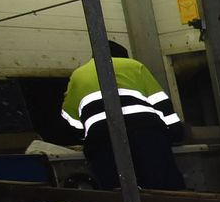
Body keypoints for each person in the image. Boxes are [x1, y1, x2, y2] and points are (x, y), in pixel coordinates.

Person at [61, 40, 187, 190]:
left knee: (117, 193)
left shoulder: (78, 74)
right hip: (146, 134)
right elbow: (161, 104)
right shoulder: (134, 66)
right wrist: (176, 133)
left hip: (103, 139)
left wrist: (86, 135)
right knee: (163, 189)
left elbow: (70, 118)